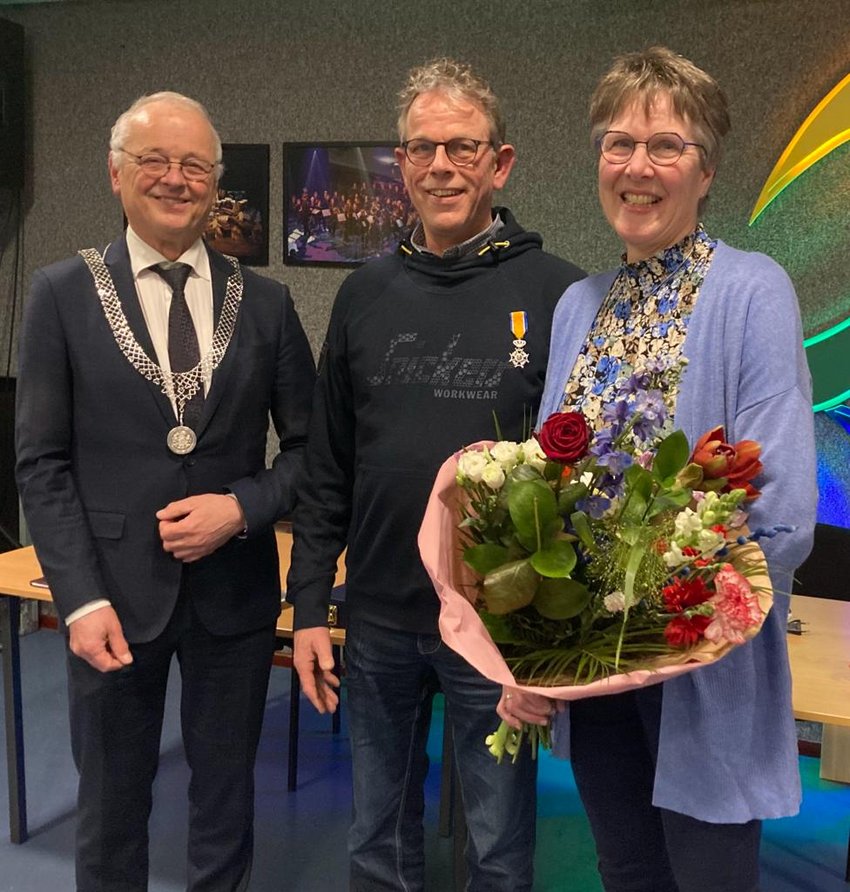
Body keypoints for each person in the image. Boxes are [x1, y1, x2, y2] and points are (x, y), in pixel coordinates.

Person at [287, 58, 584, 891]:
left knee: (496, 847)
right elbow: (327, 466)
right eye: (423, 148)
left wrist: (557, 641)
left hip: (499, 627)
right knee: (375, 840)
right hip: (377, 614)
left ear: (502, 162)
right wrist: (310, 603)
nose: (442, 166)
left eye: (462, 147)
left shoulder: (558, 294)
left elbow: (580, 480)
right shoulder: (365, 294)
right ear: (402, 163)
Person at [15, 92, 315, 891]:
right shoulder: (60, 294)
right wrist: (76, 601)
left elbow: (314, 454)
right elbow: (40, 463)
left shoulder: (269, 304)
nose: (175, 180)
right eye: (156, 161)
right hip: (109, 600)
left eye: (194, 166)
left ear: (216, 183)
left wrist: (242, 508)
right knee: (110, 814)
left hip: (235, 599)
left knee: (224, 808)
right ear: (117, 174)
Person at [535, 47, 817, 892]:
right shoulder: (575, 306)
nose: (637, 166)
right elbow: (545, 497)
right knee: (627, 872)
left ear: (706, 171)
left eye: (666, 145)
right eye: (618, 143)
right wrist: (532, 647)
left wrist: (662, 614)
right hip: (596, 670)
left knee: (708, 878)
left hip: (704, 663)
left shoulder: (752, 291)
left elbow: (783, 511)